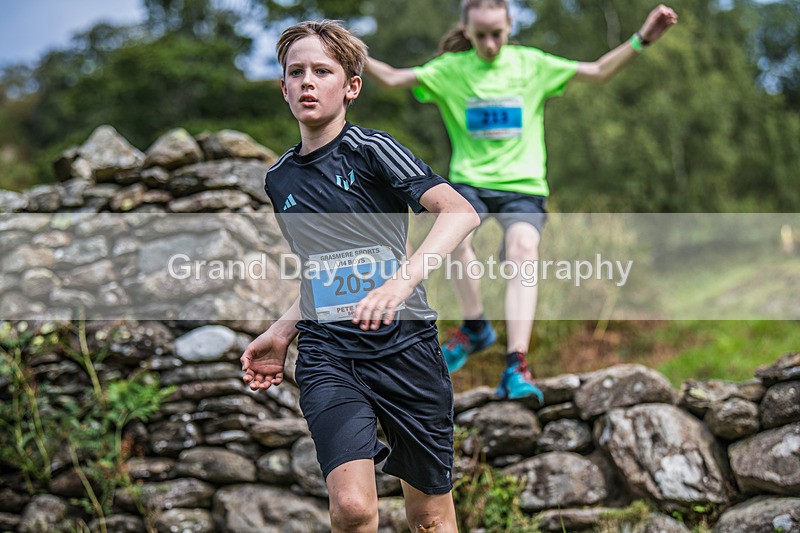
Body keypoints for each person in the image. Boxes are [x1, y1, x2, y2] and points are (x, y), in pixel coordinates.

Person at [365, 1, 678, 403]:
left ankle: (517, 363)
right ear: (466, 29)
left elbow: (598, 72)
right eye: (481, 36)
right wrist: (351, 50)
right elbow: (391, 78)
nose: (491, 44)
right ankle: (475, 327)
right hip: (470, 183)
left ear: (510, 26)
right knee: (452, 234)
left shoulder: (533, 65)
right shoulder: (451, 70)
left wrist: (643, 38)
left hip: (523, 186)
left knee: (523, 249)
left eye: (498, 33)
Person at [240, 20, 479, 533]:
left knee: (430, 520)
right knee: (351, 508)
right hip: (329, 353)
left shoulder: (372, 149)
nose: (307, 81)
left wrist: (400, 283)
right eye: (295, 72)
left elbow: (460, 213)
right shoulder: (279, 179)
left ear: (350, 86)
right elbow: (319, 274)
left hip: (405, 347)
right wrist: (284, 331)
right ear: (282, 87)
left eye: (322, 71)